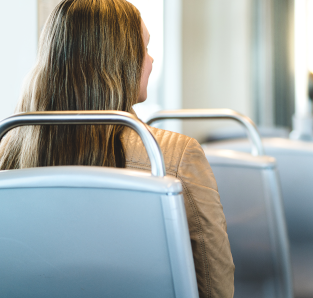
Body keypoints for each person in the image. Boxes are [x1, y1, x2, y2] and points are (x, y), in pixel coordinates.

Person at [0, 0, 235, 297]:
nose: (151, 60)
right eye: (145, 49)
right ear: (118, 60)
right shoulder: (175, 158)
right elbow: (216, 287)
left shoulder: (7, 153)